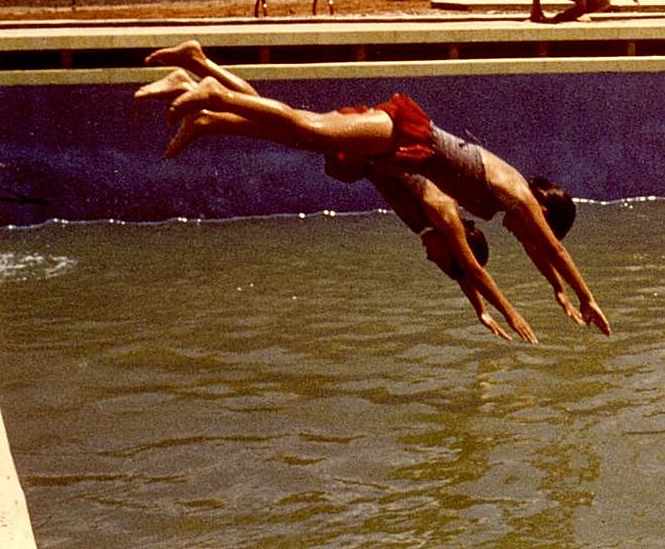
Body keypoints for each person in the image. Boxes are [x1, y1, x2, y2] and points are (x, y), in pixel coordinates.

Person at [135, 42, 611, 336]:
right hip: (406, 137)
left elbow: (541, 256)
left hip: (392, 154)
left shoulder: (504, 205)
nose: (526, 241)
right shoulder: (515, 201)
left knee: (289, 129)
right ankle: (214, 95)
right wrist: (578, 298)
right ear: (545, 218)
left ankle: (203, 90)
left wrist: (557, 294)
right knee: (310, 129)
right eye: (536, 235)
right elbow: (549, 252)